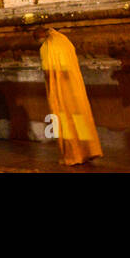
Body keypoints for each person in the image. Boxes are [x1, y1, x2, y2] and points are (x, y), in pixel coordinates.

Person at [35, 26, 103, 166]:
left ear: (40, 36)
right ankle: (88, 151)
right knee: (80, 117)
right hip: (74, 87)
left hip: (61, 89)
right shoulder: (64, 40)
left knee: (66, 120)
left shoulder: (48, 46)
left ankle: (73, 155)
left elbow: (49, 70)